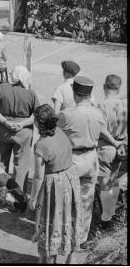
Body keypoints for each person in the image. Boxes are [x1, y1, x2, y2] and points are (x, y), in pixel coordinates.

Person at [58, 77, 123, 248]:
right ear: (90, 94)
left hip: (73, 159)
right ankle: (82, 239)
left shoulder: (66, 115)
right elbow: (103, 130)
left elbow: (55, 133)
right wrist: (117, 143)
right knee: (86, 200)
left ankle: (67, 235)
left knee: (68, 199)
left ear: (74, 94)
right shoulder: (97, 113)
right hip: (92, 158)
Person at [29, 104, 83, 265]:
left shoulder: (41, 145)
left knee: (49, 222)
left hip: (54, 186)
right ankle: (71, 258)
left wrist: (32, 198)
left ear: (39, 123)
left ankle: (48, 259)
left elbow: (38, 177)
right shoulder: (61, 132)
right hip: (71, 179)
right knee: (71, 218)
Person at [0, 65, 39, 192]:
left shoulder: (1, 88)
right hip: (23, 132)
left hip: (3, 130)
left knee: (0, 163)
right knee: (21, 166)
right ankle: (18, 196)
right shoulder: (30, 93)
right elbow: (37, 115)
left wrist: (5, 122)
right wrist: (22, 124)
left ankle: (0, 192)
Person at [96, 74, 127, 226]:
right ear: (119, 88)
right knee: (114, 180)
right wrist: (121, 143)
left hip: (107, 147)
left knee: (104, 184)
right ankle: (113, 213)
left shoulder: (102, 104)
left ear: (104, 86)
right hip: (122, 147)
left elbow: (101, 129)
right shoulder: (123, 104)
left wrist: (114, 143)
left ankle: (106, 218)